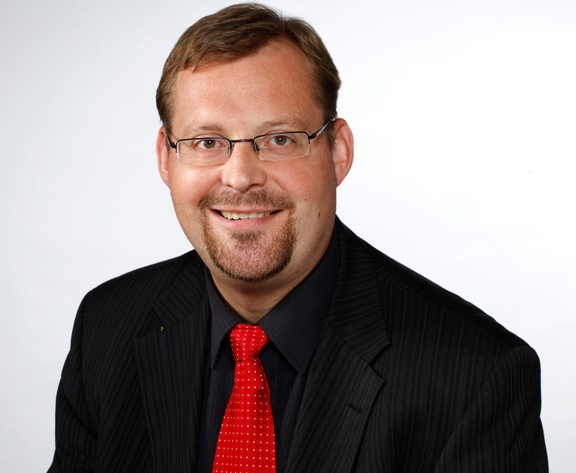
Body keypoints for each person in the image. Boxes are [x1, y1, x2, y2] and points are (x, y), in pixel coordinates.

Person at [48, 3, 548, 472]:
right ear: (166, 157)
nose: (240, 177)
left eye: (280, 139)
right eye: (207, 142)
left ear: (338, 152)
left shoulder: (475, 376)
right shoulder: (107, 327)